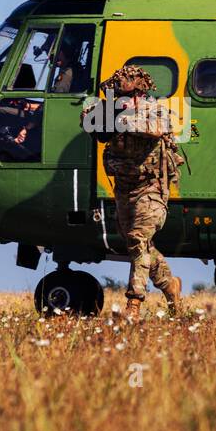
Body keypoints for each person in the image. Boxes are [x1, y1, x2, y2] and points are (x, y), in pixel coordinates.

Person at [86, 65, 184, 322]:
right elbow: (88, 123)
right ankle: (170, 286)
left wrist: (120, 116)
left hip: (151, 186)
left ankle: (134, 303)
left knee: (138, 239)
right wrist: (103, 111)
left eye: (126, 95)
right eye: (118, 95)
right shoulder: (114, 109)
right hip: (124, 186)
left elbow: (152, 129)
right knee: (139, 246)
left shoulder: (157, 110)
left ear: (140, 93)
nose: (122, 99)